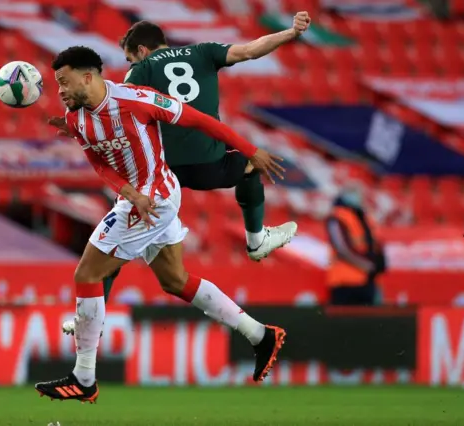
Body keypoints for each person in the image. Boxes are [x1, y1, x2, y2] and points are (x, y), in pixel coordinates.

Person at [35, 46, 286, 403]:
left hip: (156, 200)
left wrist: (249, 150)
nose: (58, 90)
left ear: (88, 76)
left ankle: (84, 378)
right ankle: (261, 335)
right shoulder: (77, 120)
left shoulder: (137, 99)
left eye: (64, 81)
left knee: (87, 275)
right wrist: (129, 193)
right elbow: (100, 166)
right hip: (137, 201)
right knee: (175, 280)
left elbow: (199, 120)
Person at [58, 14, 311, 335]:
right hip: (209, 165)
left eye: (128, 57)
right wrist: (290, 32)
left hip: (162, 172)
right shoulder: (204, 52)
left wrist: (83, 125)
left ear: (140, 50)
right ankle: (257, 238)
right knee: (248, 167)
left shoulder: (143, 68)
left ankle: (92, 316)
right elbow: (250, 51)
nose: (129, 62)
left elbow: (119, 105)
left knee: (115, 242)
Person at [325, 186, 387, 305]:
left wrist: (379, 263)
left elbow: (376, 243)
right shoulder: (337, 217)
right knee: (344, 321)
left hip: (368, 281)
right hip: (344, 283)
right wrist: (368, 266)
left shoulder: (366, 218)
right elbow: (342, 249)